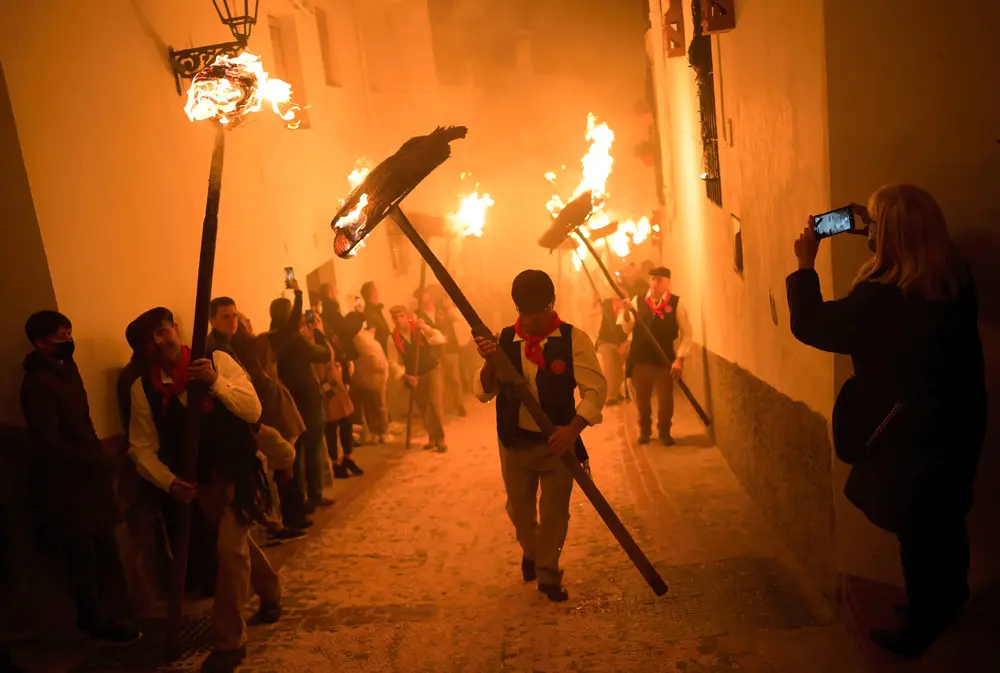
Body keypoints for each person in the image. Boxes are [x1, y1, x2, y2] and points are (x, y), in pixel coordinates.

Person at [786, 184, 986, 659]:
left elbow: (810, 323)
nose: (869, 230)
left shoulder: (879, 300)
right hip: (957, 421)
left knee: (915, 528)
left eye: (876, 225)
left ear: (890, 236)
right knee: (945, 518)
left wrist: (805, 263)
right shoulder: (952, 279)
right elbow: (910, 259)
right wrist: (871, 227)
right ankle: (948, 600)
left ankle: (922, 623)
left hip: (906, 436)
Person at [127, 308, 279, 671]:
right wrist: (168, 480)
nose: (162, 341)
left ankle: (229, 641)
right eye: (153, 339)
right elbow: (141, 446)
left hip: (240, 469)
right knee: (235, 545)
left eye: (165, 331)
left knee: (229, 549)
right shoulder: (144, 388)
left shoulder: (216, 360)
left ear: (176, 329)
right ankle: (271, 591)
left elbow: (252, 407)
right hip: (202, 482)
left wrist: (215, 382)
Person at [473, 270, 607, 602]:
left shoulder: (574, 340)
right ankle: (532, 551)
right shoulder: (503, 341)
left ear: (551, 305)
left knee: (554, 512)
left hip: (558, 446)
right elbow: (483, 392)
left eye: (536, 312)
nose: (529, 320)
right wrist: (490, 361)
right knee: (519, 511)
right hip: (514, 442)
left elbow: (596, 391)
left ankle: (548, 572)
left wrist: (572, 430)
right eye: (523, 312)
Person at [20, 311, 142, 644]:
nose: (68, 341)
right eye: (60, 335)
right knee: (84, 555)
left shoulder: (66, 371)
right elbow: (48, 442)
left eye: (69, 333)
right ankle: (97, 618)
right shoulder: (38, 383)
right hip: (67, 484)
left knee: (105, 547)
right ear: (40, 341)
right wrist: (94, 457)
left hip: (89, 476)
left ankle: (119, 612)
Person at [209, 297, 306, 544]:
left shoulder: (238, 346)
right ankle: (270, 524)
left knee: (279, 463)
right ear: (212, 320)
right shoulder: (218, 349)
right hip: (247, 424)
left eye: (235, 316)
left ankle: (272, 522)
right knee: (274, 465)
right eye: (226, 317)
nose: (233, 321)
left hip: (257, 418)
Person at [269, 282, 334, 511]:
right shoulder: (295, 339)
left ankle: (301, 498)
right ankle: (313, 495)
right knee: (312, 448)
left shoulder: (271, 337)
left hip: (288, 401)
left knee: (296, 454)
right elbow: (324, 355)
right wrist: (319, 333)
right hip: (307, 400)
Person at [620, 266, 692, 445]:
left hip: (664, 361)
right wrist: (627, 312)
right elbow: (626, 328)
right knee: (642, 401)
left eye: (659, 279)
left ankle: (664, 431)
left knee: (666, 400)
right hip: (641, 360)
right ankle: (645, 430)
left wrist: (679, 360)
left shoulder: (676, 303)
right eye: (652, 279)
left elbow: (687, 335)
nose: (654, 283)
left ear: (667, 283)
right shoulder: (637, 301)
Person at [304, 311, 364, 479]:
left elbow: (330, 357)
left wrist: (337, 367)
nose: (317, 323)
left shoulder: (325, 337)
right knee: (331, 427)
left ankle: (348, 458)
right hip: (327, 387)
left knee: (346, 422)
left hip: (336, 385)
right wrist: (328, 387)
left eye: (318, 320)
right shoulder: (308, 342)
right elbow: (316, 368)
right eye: (313, 321)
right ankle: (336, 462)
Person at [387, 305, 449, 452]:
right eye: (396, 318)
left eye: (402, 316)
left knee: (435, 404)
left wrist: (426, 328)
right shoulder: (392, 338)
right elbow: (393, 362)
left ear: (407, 316)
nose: (399, 320)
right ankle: (432, 437)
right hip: (414, 376)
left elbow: (439, 339)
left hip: (432, 369)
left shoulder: (419, 329)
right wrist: (405, 376)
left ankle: (440, 439)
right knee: (424, 407)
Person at [345, 311, 389, 443]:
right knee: (378, 405)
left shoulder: (356, 339)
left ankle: (377, 432)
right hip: (375, 376)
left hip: (367, 377)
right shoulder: (364, 337)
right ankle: (382, 433)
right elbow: (376, 358)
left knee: (372, 406)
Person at [434, 291, 468, 417]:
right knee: (444, 381)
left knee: (455, 379)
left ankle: (459, 405)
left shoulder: (451, 312)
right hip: (439, 351)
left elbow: (460, 319)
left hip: (451, 349)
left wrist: (449, 309)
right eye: (447, 299)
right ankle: (448, 407)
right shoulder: (435, 311)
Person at [594, 295, 628, 405]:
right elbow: (594, 311)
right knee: (609, 368)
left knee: (619, 370)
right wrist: (596, 302)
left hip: (621, 343)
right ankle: (610, 396)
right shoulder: (605, 304)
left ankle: (617, 392)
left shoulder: (627, 308)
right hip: (606, 341)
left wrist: (625, 344)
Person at [361, 281, 391, 355]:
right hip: (382, 352)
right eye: (376, 290)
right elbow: (371, 336)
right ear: (373, 294)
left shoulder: (374, 310)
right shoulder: (370, 312)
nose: (378, 293)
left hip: (385, 349)